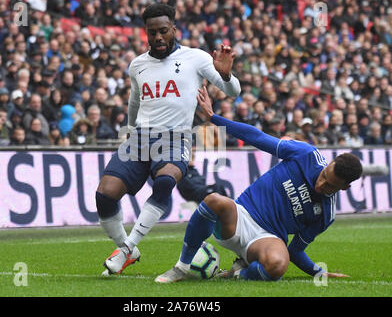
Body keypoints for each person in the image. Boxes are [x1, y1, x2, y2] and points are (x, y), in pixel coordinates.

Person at [155, 86, 362, 283]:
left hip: (268, 238)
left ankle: (238, 273)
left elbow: (295, 251)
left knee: (278, 265)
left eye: (329, 186)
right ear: (329, 163)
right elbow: (257, 137)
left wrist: (319, 272)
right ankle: (181, 267)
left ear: (344, 188)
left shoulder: (326, 214)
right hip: (241, 216)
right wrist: (213, 118)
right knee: (215, 200)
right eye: (324, 175)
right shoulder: (306, 155)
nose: (320, 184)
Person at [97, 3, 240, 276]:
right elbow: (134, 102)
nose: (158, 37)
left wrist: (225, 74)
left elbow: (233, 92)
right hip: (140, 138)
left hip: (176, 138)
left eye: (163, 31)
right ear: (146, 33)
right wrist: (129, 131)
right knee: (105, 195)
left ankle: (126, 250)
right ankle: (127, 249)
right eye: (152, 33)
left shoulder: (195, 58)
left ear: (174, 29)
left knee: (164, 181)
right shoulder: (137, 65)